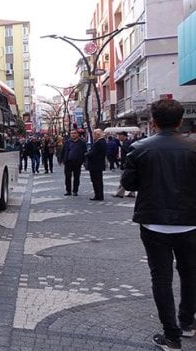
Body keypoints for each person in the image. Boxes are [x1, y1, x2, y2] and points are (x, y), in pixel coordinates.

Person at [121, 99, 196, 351]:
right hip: (190, 222)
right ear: (180, 120)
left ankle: (171, 337)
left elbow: (129, 184)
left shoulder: (140, 148)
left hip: (154, 223)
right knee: (190, 273)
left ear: (153, 121)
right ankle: (187, 322)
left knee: (161, 278)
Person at [61, 129, 86, 196]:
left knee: (76, 177)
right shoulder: (67, 142)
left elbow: (84, 152)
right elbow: (63, 151)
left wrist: (83, 161)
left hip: (77, 162)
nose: (73, 135)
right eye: (71, 133)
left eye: (74, 133)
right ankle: (68, 191)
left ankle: (75, 190)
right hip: (68, 162)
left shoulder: (82, 143)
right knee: (67, 177)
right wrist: (62, 160)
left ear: (78, 134)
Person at [84, 129, 107, 201]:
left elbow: (93, 153)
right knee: (98, 180)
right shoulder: (101, 142)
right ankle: (98, 195)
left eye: (94, 134)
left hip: (96, 165)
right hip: (97, 164)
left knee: (96, 181)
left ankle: (98, 195)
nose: (93, 136)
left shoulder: (99, 142)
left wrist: (86, 154)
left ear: (98, 135)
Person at [113, 131, 136, 198]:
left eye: (120, 136)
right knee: (129, 178)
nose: (118, 137)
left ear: (124, 136)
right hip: (128, 163)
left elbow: (128, 154)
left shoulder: (126, 144)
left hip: (126, 164)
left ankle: (120, 193)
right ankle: (132, 193)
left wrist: (125, 163)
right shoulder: (127, 143)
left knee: (123, 178)